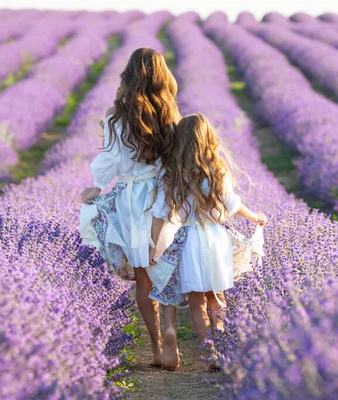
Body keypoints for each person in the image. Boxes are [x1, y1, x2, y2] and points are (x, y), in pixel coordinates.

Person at [79, 47, 180, 367]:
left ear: (129, 74)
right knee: (165, 269)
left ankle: (155, 349)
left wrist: (97, 184)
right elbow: (173, 163)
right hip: (162, 195)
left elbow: (109, 158)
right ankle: (171, 332)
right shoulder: (170, 113)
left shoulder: (116, 114)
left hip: (130, 199)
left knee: (142, 277)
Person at [148, 114, 266, 370]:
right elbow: (233, 205)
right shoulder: (216, 170)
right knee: (217, 297)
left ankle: (212, 353)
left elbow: (160, 213)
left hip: (190, 239)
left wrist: (152, 245)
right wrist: (255, 217)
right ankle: (222, 343)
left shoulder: (173, 174)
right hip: (217, 238)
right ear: (208, 138)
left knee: (196, 303)